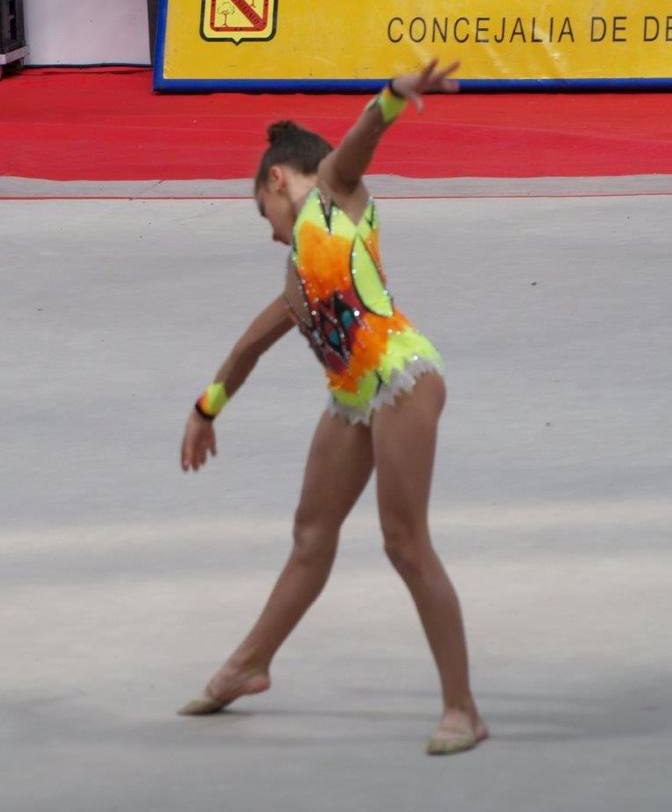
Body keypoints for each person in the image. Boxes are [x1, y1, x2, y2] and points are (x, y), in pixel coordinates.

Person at [179, 60, 488, 755]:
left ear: (276, 181)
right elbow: (251, 345)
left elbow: (355, 147)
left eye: (263, 214)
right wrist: (206, 407)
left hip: (401, 377)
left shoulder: (332, 195)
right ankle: (248, 665)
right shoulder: (299, 270)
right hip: (353, 397)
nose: (269, 232)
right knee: (311, 535)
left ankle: (463, 709)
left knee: (404, 542)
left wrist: (391, 98)